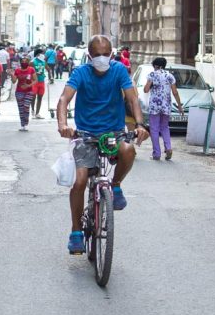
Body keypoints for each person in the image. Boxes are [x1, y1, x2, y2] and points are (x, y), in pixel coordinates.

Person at [56, 35, 149, 254]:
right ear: (89, 55)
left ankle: (115, 185)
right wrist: (63, 124)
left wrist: (140, 124)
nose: (101, 58)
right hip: (85, 134)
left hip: (113, 133)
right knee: (79, 182)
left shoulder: (118, 71)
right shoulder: (81, 73)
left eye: (105, 54)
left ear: (112, 54)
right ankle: (76, 231)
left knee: (128, 149)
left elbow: (132, 98)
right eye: (96, 54)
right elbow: (63, 99)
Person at [143, 57, 183, 161]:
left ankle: (156, 154)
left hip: (154, 106)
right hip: (166, 105)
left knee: (154, 129)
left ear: (155, 66)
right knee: (165, 127)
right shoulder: (170, 76)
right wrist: (179, 106)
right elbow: (175, 92)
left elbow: (146, 90)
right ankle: (168, 148)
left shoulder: (152, 75)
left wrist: (151, 84)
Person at [12, 55, 36, 131]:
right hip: (19, 92)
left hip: (29, 91)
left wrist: (28, 85)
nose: (24, 63)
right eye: (22, 61)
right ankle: (22, 124)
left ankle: (26, 122)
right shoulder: (17, 70)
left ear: (28, 62)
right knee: (21, 108)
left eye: (26, 61)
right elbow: (14, 81)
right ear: (20, 62)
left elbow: (35, 80)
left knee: (26, 107)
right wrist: (12, 74)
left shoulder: (31, 69)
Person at [30, 48, 47, 119]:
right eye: (42, 53)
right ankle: (33, 110)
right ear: (38, 54)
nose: (43, 55)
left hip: (42, 81)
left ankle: (37, 113)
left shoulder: (43, 62)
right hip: (34, 81)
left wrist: (51, 76)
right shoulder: (32, 62)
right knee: (33, 97)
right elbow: (30, 71)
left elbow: (48, 68)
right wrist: (36, 73)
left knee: (40, 97)